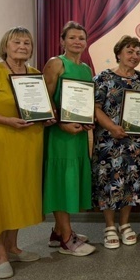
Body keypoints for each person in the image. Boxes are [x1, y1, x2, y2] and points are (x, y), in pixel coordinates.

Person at [0, 27, 55, 279]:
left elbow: (38, 107)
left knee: (19, 194)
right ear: (5, 46)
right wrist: (7, 120)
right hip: (2, 142)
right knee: (0, 195)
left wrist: (46, 117)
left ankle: (13, 247)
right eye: (17, 42)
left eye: (27, 43)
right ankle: (0, 254)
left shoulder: (34, 74)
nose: (23, 46)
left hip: (29, 142)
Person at [92, 36, 140, 249]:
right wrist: (112, 127)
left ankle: (125, 224)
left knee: (132, 181)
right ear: (118, 53)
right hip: (109, 141)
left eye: (138, 53)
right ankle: (110, 226)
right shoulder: (103, 78)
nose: (134, 56)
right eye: (130, 51)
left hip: (136, 144)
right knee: (108, 181)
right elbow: (95, 108)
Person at [42, 21, 95, 256]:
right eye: (72, 37)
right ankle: (66, 239)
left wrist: (87, 119)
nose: (77, 41)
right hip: (59, 135)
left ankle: (57, 232)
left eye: (81, 38)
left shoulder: (86, 69)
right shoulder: (56, 63)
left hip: (78, 134)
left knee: (70, 180)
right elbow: (45, 100)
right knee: (61, 181)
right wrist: (61, 124)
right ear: (62, 41)